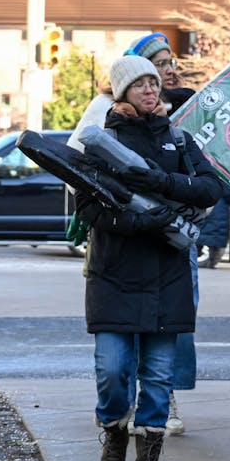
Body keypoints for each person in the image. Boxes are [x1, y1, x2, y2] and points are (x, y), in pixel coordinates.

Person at [75, 55, 223, 461]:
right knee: (112, 370)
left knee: (158, 377)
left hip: (167, 273)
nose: (151, 90)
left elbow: (212, 187)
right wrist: (141, 222)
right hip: (114, 272)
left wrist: (160, 182)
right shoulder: (101, 141)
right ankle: (114, 431)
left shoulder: (178, 137)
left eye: (153, 83)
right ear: (121, 93)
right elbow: (87, 207)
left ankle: (148, 460)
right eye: (140, 84)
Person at [68, 32, 200, 437]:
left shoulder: (181, 116)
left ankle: (162, 401)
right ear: (125, 84)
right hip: (120, 253)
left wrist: (170, 189)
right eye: (156, 66)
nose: (166, 72)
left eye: (167, 66)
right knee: (115, 361)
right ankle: (115, 415)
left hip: (172, 245)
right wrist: (135, 212)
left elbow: (209, 179)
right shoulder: (102, 121)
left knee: (167, 338)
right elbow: (80, 184)